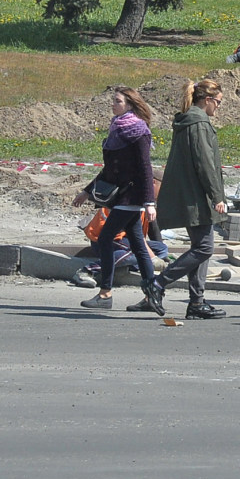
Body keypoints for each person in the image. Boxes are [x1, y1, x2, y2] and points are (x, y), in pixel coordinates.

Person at [134, 79, 229, 319]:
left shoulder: (189, 121)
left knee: (201, 247)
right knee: (205, 248)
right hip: (196, 197)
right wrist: (217, 195)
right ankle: (158, 284)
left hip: (191, 194)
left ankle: (196, 303)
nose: (218, 107)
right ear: (207, 100)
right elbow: (205, 163)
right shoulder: (198, 124)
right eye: (217, 102)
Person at [73, 86, 164, 314]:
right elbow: (110, 169)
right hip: (121, 196)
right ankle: (151, 295)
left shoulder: (139, 130)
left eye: (118, 101)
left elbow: (145, 168)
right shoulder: (117, 129)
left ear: (130, 105)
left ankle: (105, 293)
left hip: (131, 196)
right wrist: (87, 191)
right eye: (113, 100)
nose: (113, 104)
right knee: (137, 246)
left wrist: (149, 202)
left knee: (105, 238)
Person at [71, 206, 169, 288]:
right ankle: (87, 270)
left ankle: (131, 263)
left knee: (162, 249)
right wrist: (153, 258)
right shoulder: (131, 201)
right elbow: (136, 237)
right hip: (105, 240)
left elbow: (152, 229)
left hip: (126, 240)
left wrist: (164, 258)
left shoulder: (146, 204)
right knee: (136, 252)